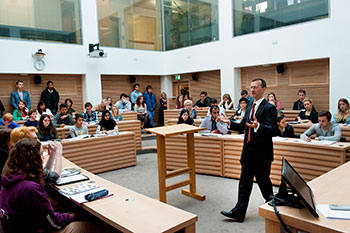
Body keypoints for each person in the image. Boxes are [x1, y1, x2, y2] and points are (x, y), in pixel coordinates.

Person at [0, 138, 95, 233]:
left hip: (18, 226)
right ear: (32, 159)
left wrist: (53, 153)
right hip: (33, 228)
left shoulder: (11, 177)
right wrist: (75, 216)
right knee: (92, 225)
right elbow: (53, 222)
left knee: (61, 204)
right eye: (41, 154)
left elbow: (42, 174)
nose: (43, 157)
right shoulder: (30, 188)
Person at [221, 78, 277, 222]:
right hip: (248, 152)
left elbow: (273, 130)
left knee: (264, 182)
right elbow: (244, 127)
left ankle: (274, 208)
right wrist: (230, 123)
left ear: (263, 89)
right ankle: (239, 213)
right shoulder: (250, 105)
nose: (252, 90)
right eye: (251, 87)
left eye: (255, 87)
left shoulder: (269, 108)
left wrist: (259, 126)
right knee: (244, 183)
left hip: (262, 154)